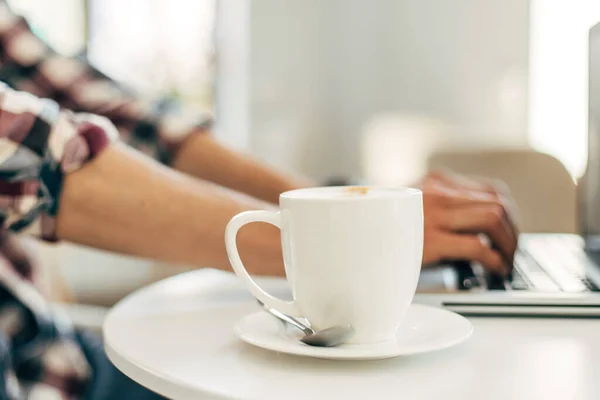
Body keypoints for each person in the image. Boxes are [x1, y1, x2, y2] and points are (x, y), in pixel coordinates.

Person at [0, 2, 519, 399]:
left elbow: (126, 116)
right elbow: (41, 160)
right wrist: (362, 243)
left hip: (64, 355)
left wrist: (335, 205)